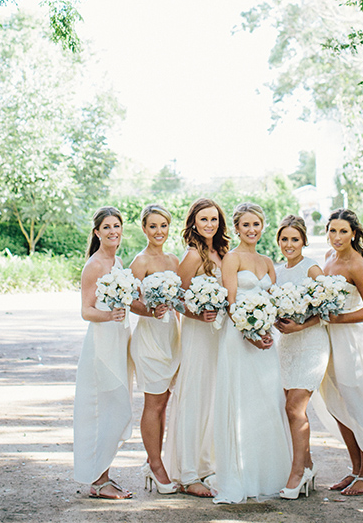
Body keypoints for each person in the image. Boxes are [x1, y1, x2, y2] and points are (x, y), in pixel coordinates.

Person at [213, 203, 292, 504]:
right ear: (236, 228)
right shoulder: (231, 259)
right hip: (239, 339)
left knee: (268, 402)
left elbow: (274, 300)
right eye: (245, 225)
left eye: (256, 224)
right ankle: (242, 477)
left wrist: (271, 327)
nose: (252, 230)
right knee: (243, 403)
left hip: (266, 341)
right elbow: (232, 305)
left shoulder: (268, 261)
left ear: (262, 226)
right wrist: (251, 334)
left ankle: (269, 475)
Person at [316, 207, 363, 495]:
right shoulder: (328, 258)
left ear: (354, 234)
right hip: (329, 341)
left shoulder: (356, 265)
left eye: (343, 231)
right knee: (338, 404)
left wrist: (340, 319)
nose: (336, 236)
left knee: (359, 404)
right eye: (332, 230)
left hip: (351, 342)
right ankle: (355, 468)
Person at [165, 198, 230, 496]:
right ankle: (188, 472)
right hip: (197, 333)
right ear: (193, 222)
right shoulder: (192, 255)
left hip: (219, 334)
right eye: (204, 219)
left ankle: (208, 463)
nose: (210, 224)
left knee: (215, 396)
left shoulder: (222, 252)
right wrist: (197, 313)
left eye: (214, 219)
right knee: (195, 395)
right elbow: (176, 297)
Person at [73, 206, 133, 500]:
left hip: (119, 340)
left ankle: (105, 474)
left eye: (117, 226)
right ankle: (98, 480)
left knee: (115, 408)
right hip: (101, 342)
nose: (113, 232)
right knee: (101, 408)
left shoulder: (119, 261)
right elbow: (86, 311)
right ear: (97, 233)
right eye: (107, 227)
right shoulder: (94, 265)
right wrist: (110, 317)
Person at [274, 214, 329, 498]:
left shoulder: (312, 269)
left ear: (304, 241)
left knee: (295, 408)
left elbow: (329, 308)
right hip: (286, 346)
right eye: (284, 239)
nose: (289, 244)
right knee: (289, 408)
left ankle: (296, 474)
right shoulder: (276, 271)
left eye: (295, 239)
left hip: (310, 344)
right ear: (278, 241)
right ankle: (307, 466)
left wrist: (302, 325)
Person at [129, 204, 181, 494]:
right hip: (150, 338)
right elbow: (127, 298)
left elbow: (182, 297)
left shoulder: (174, 259)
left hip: (172, 335)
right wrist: (149, 311)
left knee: (165, 403)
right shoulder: (141, 260)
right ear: (144, 229)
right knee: (154, 403)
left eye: (163, 225)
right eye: (153, 226)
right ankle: (155, 464)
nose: (158, 231)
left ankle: (157, 461)